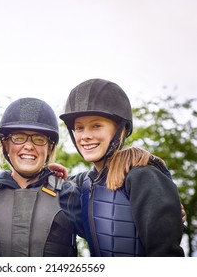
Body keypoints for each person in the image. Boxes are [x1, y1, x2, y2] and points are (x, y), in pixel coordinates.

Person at [59, 78, 185, 257]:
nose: (85, 136)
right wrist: (50, 173)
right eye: (79, 128)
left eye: (96, 126)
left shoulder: (144, 176)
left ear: (122, 129)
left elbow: (166, 255)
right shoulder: (83, 182)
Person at [0, 97, 85, 256]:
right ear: (6, 144)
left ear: (50, 147)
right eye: (18, 138)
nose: (28, 146)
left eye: (39, 139)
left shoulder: (69, 194)